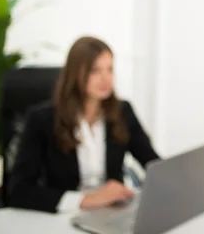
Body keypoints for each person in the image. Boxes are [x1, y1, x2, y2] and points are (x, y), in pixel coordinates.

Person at [8, 36, 160, 213]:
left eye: (110, 69)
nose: (106, 79)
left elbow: (152, 163)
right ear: (76, 73)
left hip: (111, 211)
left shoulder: (122, 111)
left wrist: (180, 181)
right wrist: (85, 200)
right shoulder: (43, 119)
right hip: (65, 214)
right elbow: (19, 191)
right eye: (95, 71)